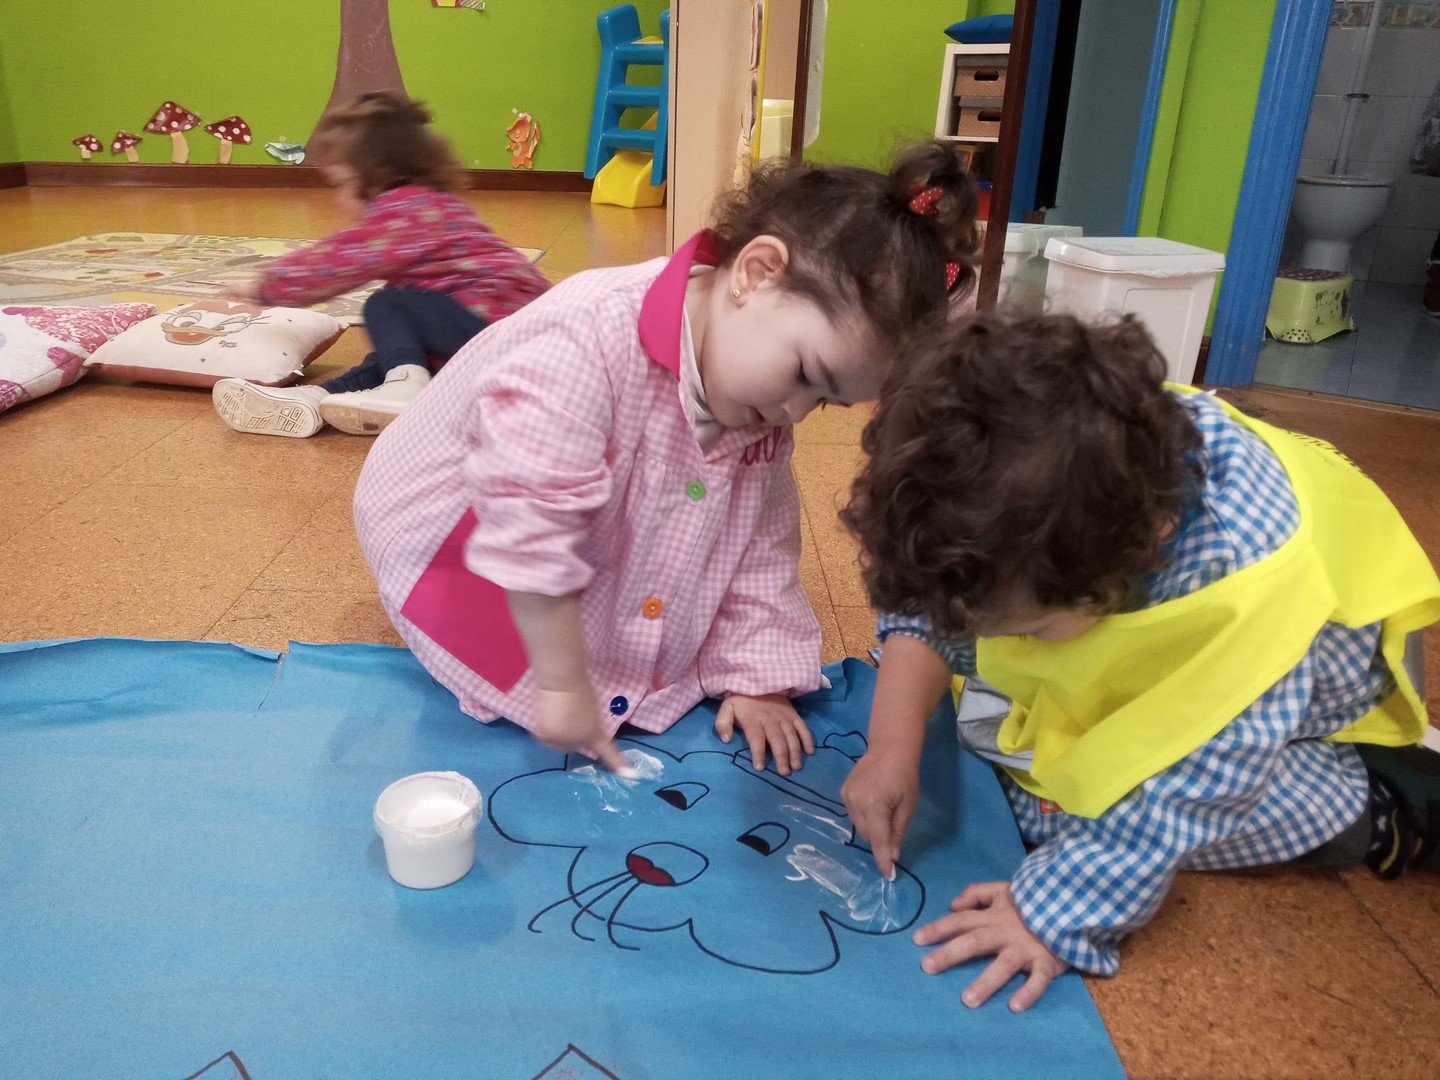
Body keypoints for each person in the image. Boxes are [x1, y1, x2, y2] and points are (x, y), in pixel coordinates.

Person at [838, 312, 1440, 1013]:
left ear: (1135, 555)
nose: (982, 639)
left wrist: (1051, 913)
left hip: (1299, 702)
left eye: (1030, 628)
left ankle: (1373, 808)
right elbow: (936, 605)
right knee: (993, 741)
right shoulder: (1071, 470)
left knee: (1064, 816)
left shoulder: (1240, 588)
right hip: (1159, 644)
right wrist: (891, 746)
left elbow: (1192, 791)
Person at [351, 143, 980, 775]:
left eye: (825, 402)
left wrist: (756, 679)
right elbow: (530, 530)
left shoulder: (759, 396)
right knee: (531, 633)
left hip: (552, 509)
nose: (795, 411)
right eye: (805, 375)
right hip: (451, 524)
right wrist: (564, 684)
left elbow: (758, 544)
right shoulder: (584, 337)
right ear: (756, 272)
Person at [212, 91, 550, 438]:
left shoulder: (406, 210)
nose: (338, 199)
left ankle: (405, 391)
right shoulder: (438, 206)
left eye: (342, 183)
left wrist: (264, 287)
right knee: (399, 349)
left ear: (374, 175)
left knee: (388, 304)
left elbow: (336, 261)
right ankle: (318, 399)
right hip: (506, 344)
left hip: (501, 341)